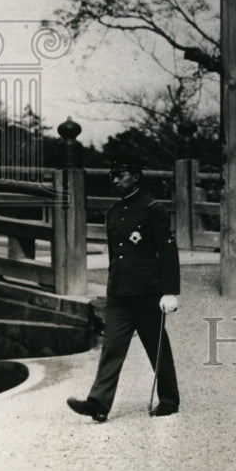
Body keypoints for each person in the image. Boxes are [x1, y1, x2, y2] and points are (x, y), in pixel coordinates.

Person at [67, 159, 180, 423]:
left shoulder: (153, 209)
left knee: (157, 348)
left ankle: (169, 399)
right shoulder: (113, 212)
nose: (116, 180)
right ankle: (98, 404)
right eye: (113, 176)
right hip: (119, 294)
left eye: (122, 175)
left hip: (147, 293)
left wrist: (170, 292)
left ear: (136, 177)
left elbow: (167, 253)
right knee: (111, 349)